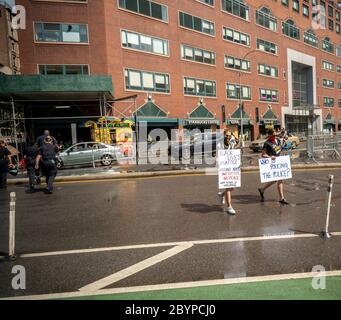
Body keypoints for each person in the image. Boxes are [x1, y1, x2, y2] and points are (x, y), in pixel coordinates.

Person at [257, 129, 289, 205]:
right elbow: (263, 155)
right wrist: (270, 157)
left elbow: (280, 148)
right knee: (276, 180)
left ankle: (281, 198)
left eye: (275, 135)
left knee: (279, 179)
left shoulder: (277, 141)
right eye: (274, 135)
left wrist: (284, 142)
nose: (275, 136)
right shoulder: (266, 143)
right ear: (270, 135)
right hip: (272, 163)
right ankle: (263, 190)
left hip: (278, 163)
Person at [217, 130, 237, 215]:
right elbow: (218, 156)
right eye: (226, 135)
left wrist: (238, 161)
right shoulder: (219, 144)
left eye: (229, 135)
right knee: (228, 187)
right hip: (223, 168)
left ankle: (221, 195)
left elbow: (234, 154)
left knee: (232, 187)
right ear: (223, 135)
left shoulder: (231, 143)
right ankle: (229, 207)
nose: (228, 137)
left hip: (232, 167)